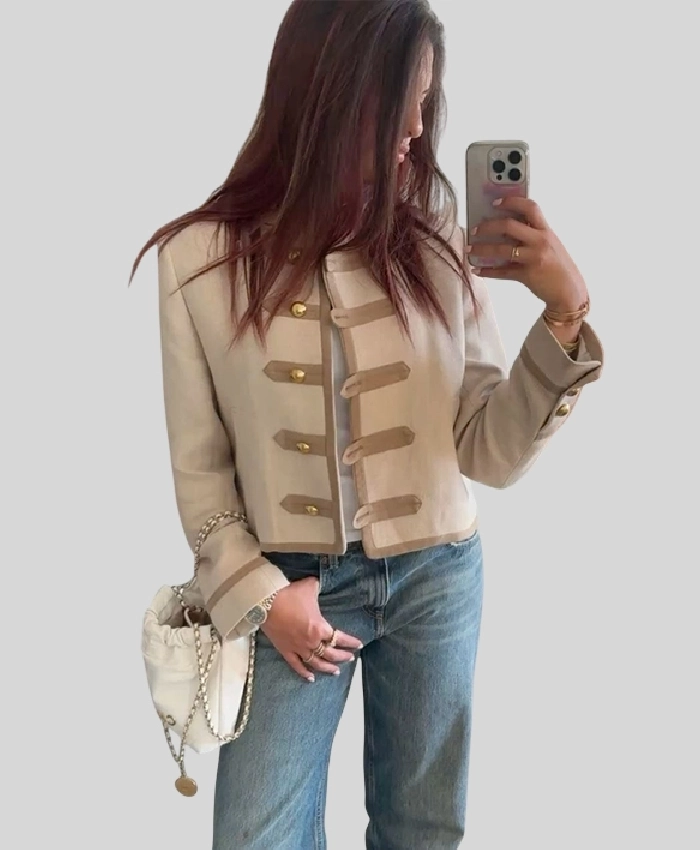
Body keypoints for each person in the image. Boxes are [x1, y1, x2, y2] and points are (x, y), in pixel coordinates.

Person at [130, 1, 603, 847]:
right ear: (332, 93)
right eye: (401, 101)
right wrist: (263, 598)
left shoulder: (435, 236)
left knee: (422, 830)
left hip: (437, 577)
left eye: (425, 102)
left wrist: (565, 315)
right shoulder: (197, 262)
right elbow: (202, 478)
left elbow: (488, 450)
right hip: (292, 592)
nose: (417, 131)